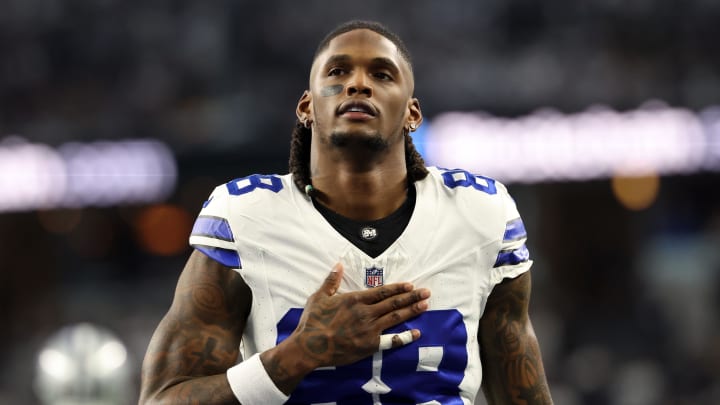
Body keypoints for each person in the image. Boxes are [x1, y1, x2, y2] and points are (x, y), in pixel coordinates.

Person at [140, 19, 553, 405]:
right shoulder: (245, 217)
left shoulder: (480, 214)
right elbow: (162, 397)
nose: (358, 83)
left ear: (412, 113)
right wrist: (296, 355)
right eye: (337, 73)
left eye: (381, 74)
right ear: (306, 107)